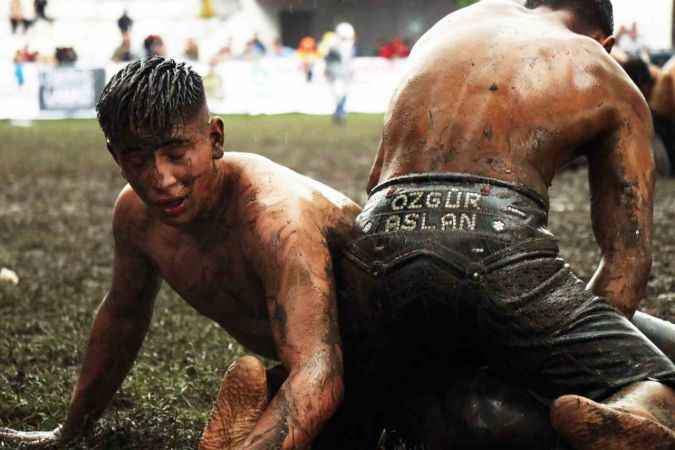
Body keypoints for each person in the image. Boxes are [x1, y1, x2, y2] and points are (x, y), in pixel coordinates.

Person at [350, 0, 675, 449]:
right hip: (494, 242)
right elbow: (626, 267)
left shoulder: (450, 29)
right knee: (659, 389)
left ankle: (296, 399)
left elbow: (375, 180)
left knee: (414, 377)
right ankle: (622, 414)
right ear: (607, 42)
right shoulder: (604, 69)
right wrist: (552, 358)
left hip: (375, 239)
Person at [0, 57, 356, 450]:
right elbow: (123, 317)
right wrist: (68, 434)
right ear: (115, 156)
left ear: (215, 139)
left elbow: (320, 373)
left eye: (176, 153)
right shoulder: (136, 215)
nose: (162, 180)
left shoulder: (276, 219)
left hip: (402, 355)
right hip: (326, 365)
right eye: (137, 159)